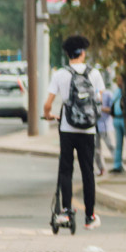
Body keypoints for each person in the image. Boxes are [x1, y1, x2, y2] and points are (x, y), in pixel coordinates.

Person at [44, 35, 106, 229]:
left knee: (66, 170)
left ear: (68, 54)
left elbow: (48, 104)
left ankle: (66, 212)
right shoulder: (94, 74)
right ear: (83, 53)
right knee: (88, 172)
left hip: (67, 129)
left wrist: (48, 115)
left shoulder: (60, 75)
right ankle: (90, 216)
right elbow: (99, 101)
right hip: (88, 130)